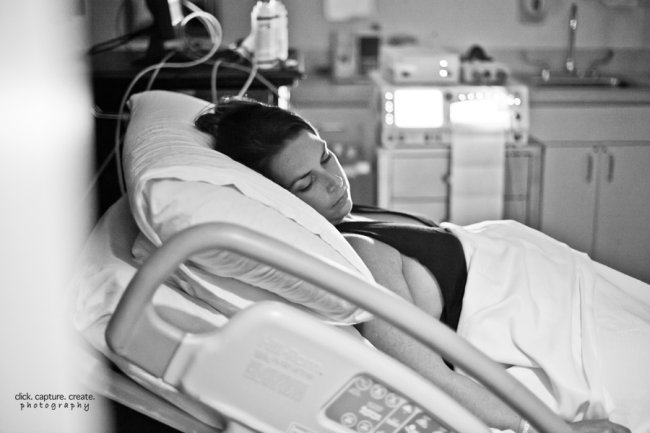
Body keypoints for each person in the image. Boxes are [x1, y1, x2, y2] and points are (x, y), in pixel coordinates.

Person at [195, 98, 647, 433]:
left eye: (326, 156)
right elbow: (430, 378)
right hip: (548, 316)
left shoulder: (350, 214)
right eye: (306, 182)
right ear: (279, 198)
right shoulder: (361, 257)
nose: (333, 181)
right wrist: (554, 428)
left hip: (553, 278)